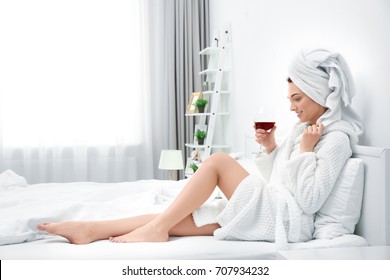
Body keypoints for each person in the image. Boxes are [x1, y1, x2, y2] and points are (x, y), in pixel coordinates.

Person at [37, 49, 363, 247]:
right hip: (274, 208)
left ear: (320, 93)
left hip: (289, 222)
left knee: (219, 162)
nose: (292, 107)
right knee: (178, 216)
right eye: (290, 99)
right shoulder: (304, 130)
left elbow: (308, 201)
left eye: (297, 98)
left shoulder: (336, 138)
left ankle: (155, 231)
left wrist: (306, 151)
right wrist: (272, 149)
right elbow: (283, 178)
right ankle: (90, 229)